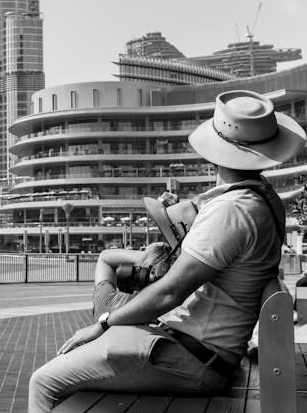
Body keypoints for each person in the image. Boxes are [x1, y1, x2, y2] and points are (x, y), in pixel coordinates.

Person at [29, 90, 307, 412]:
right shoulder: (264, 199)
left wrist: (104, 321)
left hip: (194, 358)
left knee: (45, 381)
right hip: (201, 349)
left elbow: (170, 292)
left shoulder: (232, 210)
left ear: (215, 150)